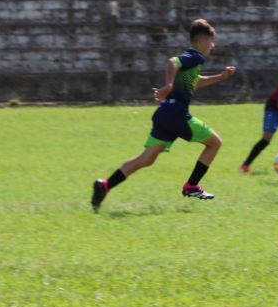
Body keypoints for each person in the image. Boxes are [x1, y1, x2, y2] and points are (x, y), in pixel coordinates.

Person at [91, 18, 236, 209]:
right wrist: (168, 85)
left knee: (146, 159)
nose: (213, 45)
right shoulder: (195, 56)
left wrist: (221, 77)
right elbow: (173, 61)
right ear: (202, 40)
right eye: (211, 41)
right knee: (215, 143)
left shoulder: (192, 63)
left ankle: (105, 185)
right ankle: (192, 185)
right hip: (176, 115)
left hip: (164, 114)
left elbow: (195, 81)